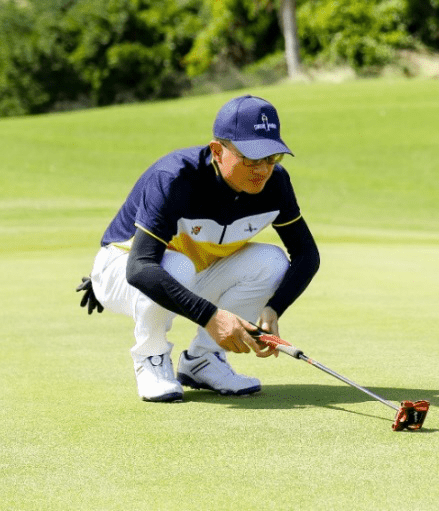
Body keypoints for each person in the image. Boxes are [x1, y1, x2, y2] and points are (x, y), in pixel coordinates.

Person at [77, 95, 320, 402]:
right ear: (218, 150)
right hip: (122, 269)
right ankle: (151, 359)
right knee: (177, 266)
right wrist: (210, 316)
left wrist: (273, 309)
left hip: (191, 271)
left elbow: (306, 254)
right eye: (252, 158)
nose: (263, 170)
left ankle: (204, 361)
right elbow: (139, 267)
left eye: (272, 158)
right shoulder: (175, 178)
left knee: (270, 261)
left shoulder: (276, 185)